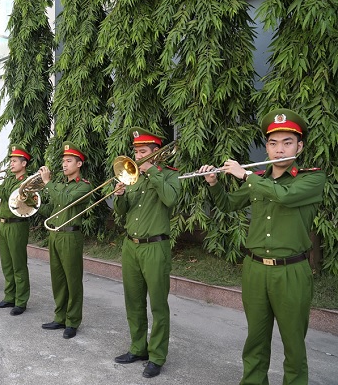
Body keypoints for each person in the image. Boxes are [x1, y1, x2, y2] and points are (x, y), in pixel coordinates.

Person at [197, 108, 325, 385]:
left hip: (291, 272)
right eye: (273, 143)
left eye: (287, 142)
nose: (279, 150)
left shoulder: (312, 178)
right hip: (254, 270)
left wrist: (245, 176)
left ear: (299, 146)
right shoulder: (260, 179)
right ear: (266, 147)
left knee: (293, 345)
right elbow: (227, 205)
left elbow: (285, 197)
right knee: (254, 340)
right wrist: (214, 183)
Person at [112, 128, 179, 378]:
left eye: (142, 152)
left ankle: (157, 355)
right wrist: (118, 196)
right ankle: (138, 347)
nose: (137, 156)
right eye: (136, 151)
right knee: (134, 300)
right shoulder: (133, 177)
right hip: (131, 245)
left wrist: (151, 170)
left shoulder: (169, 175)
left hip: (155, 246)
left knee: (158, 304)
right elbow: (122, 212)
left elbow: (171, 199)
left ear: (156, 152)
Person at [38, 141, 92, 339]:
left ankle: (73, 321)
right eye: (63, 161)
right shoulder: (59, 185)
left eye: (69, 161)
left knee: (72, 280)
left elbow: (65, 201)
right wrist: (31, 204)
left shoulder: (84, 187)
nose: (64, 164)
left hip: (70, 236)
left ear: (79, 164)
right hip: (54, 234)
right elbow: (52, 210)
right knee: (58, 279)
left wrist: (47, 183)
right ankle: (60, 317)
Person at [0, 145, 33, 316]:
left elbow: (12, 197)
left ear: (24, 163)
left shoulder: (26, 181)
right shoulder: (11, 178)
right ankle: (9, 296)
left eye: (14, 161)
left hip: (17, 225)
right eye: (11, 160)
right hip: (4, 223)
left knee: (18, 264)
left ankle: (21, 301)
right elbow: (3, 194)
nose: (11, 164)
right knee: (7, 263)